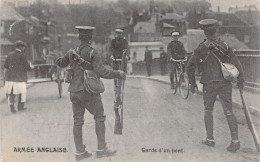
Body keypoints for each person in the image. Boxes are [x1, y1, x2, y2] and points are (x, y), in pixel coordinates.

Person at [56, 26, 126, 161]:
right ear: (90, 39)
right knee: (99, 117)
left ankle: (80, 152)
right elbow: (102, 72)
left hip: (74, 92)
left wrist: (62, 58)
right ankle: (101, 149)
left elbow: (60, 63)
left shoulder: (72, 52)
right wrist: (118, 73)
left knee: (77, 122)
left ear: (79, 38)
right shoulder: (94, 53)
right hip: (87, 91)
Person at [186, 19, 244, 152]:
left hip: (209, 83)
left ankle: (210, 139)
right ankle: (235, 141)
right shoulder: (225, 46)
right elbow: (237, 64)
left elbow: (190, 66)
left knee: (208, 110)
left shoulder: (201, 48)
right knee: (229, 111)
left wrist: (192, 83)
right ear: (216, 31)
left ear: (205, 32)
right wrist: (241, 81)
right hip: (225, 83)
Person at [4, 40, 32, 113]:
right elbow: (27, 67)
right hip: (20, 77)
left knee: (12, 93)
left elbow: (5, 66)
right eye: (23, 47)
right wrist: (30, 68)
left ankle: (11, 106)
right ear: (21, 47)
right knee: (22, 92)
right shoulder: (23, 56)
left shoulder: (9, 54)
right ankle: (20, 107)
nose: (24, 48)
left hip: (10, 77)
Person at [109, 27, 129, 108]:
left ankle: (122, 79)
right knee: (115, 72)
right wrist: (111, 56)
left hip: (122, 58)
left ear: (122, 34)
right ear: (116, 34)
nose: (119, 35)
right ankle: (115, 84)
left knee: (122, 72)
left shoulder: (124, 41)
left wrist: (125, 55)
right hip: (115, 58)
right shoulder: (113, 41)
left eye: (120, 33)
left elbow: (126, 49)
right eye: (117, 33)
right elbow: (110, 49)